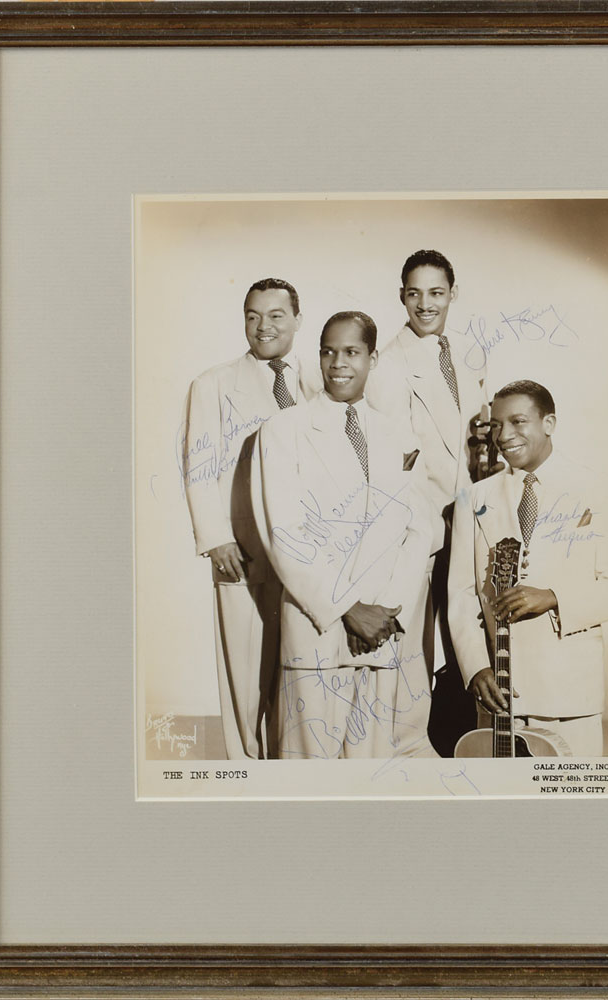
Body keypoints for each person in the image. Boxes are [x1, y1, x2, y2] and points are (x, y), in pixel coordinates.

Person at [251, 311, 434, 759]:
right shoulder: (283, 430)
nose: (337, 363)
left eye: (351, 352)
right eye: (328, 352)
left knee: (371, 771)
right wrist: (349, 609)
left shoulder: (400, 436)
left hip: (380, 635)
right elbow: (284, 533)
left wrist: (387, 613)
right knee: (309, 772)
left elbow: (418, 530)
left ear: (373, 358)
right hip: (319, 628)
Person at [181, 277, 320, 759]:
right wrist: (216, 538)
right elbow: (198, 467)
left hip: (307, 554)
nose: (263, 326)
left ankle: (291, 767)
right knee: (246, 675)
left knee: (299, 675)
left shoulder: (320, 381)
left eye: (276, 315)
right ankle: (246, 771)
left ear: (297, 320)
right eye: (253, 316)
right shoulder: (213, 385)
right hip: (243, 551)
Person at [447, 380, 608, 756]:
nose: (503, 435)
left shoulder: (598, 489)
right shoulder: (473, 498)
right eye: (496, 425)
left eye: (518, 422)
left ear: (549, 423)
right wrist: (476, 668)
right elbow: (460, 594)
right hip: (499, 694)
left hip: (570, 694)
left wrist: (553, 597)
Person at [367, 249, 488, 754]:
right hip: (418, 523)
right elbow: (390, 460)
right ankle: (404, 746)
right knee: (411, 643)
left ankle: (459, 739)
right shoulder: (387, 364)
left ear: (453, 294)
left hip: (467, 516)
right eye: (414, 293)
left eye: (436, 292)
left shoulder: (467, 352)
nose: (425, 304)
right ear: (401, 296)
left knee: (468, 632)